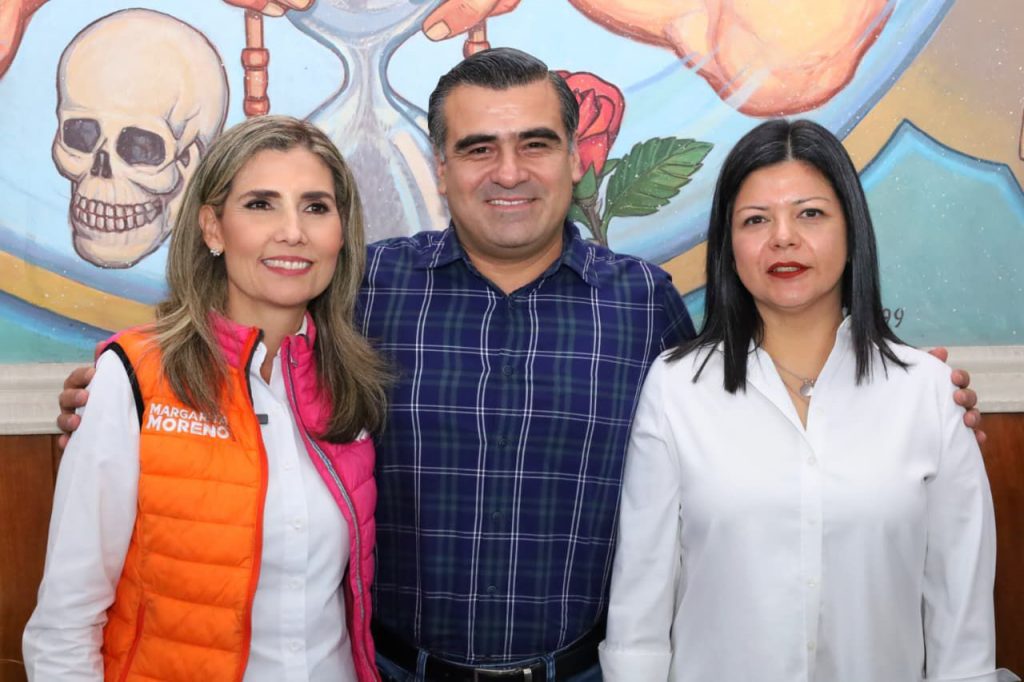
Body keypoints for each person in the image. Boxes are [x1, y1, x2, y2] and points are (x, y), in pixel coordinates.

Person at [56, 50, 983, 682]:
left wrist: (902, 404)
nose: (509, 171)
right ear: (440, 166)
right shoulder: (365, 293)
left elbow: (751, 415)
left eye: (536, 143)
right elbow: (242, 372)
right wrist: (117, 402)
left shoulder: (643, 306)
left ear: (576, 159)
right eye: (478, 148)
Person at [598, 119, 1017, 681]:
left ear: (852, 230)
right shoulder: (676, 388)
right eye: (755, 219)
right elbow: (639, 615)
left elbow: (960, 621)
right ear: (728, 246)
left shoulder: (928, 393)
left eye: (810, 213)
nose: (783, 238)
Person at [26, 115, 389, 681]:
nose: (293, 231)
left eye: (316, 207)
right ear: (213, 228)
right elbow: (65, 624)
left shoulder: (350, 382)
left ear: (341, 234)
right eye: (261, 204)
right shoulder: (134, 378)